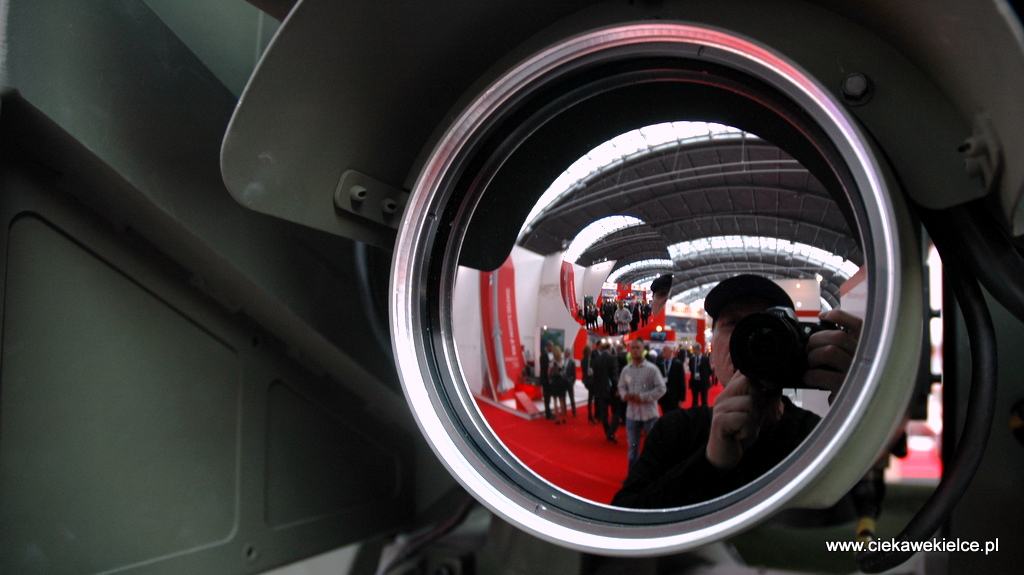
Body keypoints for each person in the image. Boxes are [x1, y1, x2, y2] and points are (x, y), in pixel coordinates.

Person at [611, 274, 861, 508]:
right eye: (733, 324)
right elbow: (627, 514)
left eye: (766, 326)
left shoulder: (817, 435)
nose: (752, 337)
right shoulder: (675, 430)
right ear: (712, 355)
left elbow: (862, 517)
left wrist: (859, 410)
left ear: (795, 344)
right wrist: (710, 461)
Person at [617, 337, 666, 469]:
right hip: (632, 415)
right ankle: (633, 475)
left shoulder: (652, 369)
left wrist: (643, 397)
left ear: (643, 350)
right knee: (632, 447)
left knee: (652, 447)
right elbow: (621, 387)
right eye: (632, 348)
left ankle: (651, 474)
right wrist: (624, 395)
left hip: (649, 415)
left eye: (638, 348)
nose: (635, 350)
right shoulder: (626, 370)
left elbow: (662, 389)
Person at [590, 341, 621, 442]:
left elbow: (594, 376)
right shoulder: (613, 358)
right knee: (616, 412)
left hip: (600, 390)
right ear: (610, 349)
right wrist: (617, 388)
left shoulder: (597, 359)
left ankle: (608, 432)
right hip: (611, 391)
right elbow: (614, 376)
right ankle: (610, 433)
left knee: (604, 415)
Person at [658, 345, 684, 415]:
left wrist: (682, 398)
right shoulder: (660, 363)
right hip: (663, 396)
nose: (663, 352)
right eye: (663, 350)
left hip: (674, 395)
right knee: (665, 414)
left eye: (665, 350)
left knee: (674, 415)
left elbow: (682, 382)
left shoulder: (678, 364)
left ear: (670, 351)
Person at [548, 345, 568, 424]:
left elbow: (549, 372)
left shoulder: (552, 362)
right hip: (562, 382)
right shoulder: (563, 361)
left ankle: (557, 419)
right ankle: (564, 418)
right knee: (562, 400)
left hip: (555, 382)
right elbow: (564, 372)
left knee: (555, 401)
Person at [539, 341, 553, 419]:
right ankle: (548, 414)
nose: (552, 348)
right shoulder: (544, 355)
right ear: (548, 346)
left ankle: (548, 412)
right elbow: (545, 368)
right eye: (551, 346)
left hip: (545, 379)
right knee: (547, 397)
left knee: (547, 397)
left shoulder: (544, 354)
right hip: (546, 379)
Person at [581, 346, 595, 423]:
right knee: (591, 397)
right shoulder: (590, 360)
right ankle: (590, 415)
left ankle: (590, 414)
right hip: (591, 380)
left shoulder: (583, 360)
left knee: (590, 397)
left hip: (585, 380)